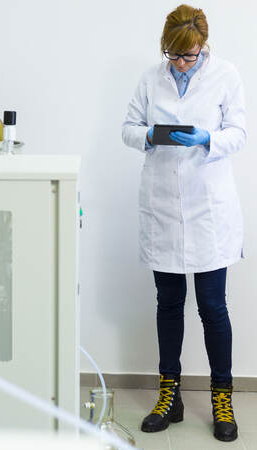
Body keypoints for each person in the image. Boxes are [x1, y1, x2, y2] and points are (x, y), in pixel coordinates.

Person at [121, 4, 246, 443]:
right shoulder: (150, 77)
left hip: (207, 207)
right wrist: (152, 135)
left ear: (202, 46)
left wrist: (208, 138)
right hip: (163, 208)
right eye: (173, 55)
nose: (179, 63)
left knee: (213, 307)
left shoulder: (226, 74)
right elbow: (128, 128)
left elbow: (240, 131)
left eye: (188, 55)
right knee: (169, 303)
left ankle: (222, 397)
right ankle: (168, 394)